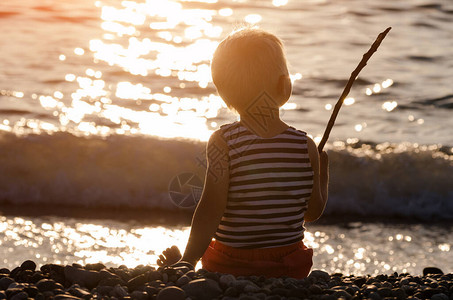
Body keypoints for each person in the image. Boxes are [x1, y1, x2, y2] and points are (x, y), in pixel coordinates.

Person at [157, 27, 329, 279]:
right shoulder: (305, 145)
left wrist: (189, 260)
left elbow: (211, 208)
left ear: (224, 93)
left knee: (210, 254)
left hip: (230, 263)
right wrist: (322, 172)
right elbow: (312, 213)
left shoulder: (223, 142)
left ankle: (180, 265)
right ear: (285, 85)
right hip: (289, 266)